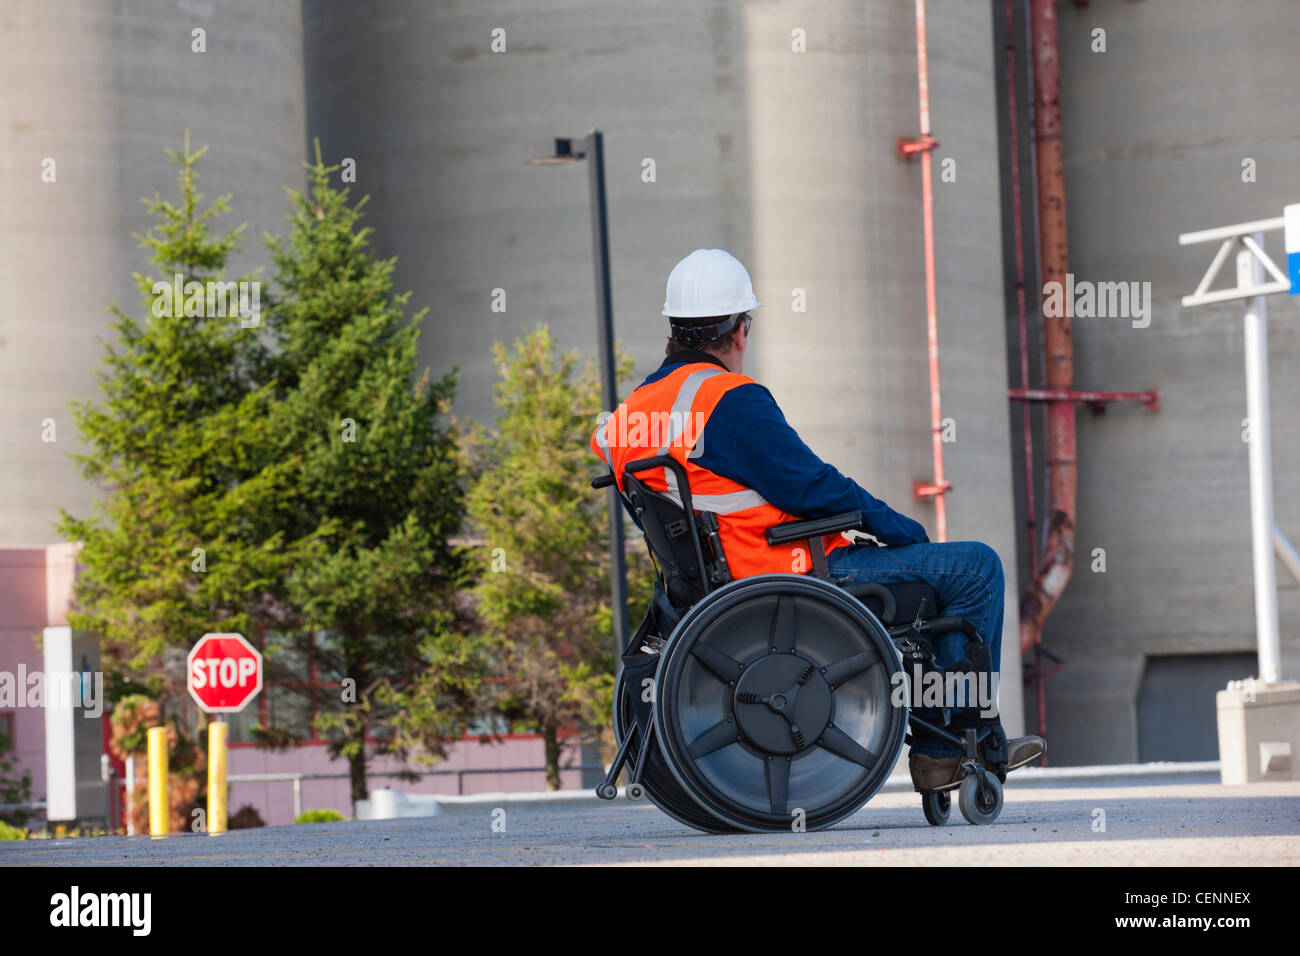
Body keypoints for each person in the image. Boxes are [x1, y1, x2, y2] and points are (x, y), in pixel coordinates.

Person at [591, 248, 1044, 790]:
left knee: (950, 574)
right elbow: (812, 487)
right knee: (974, 567)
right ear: (740, 330)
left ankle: (942, 749)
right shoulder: (727, 400)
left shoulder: (625, 420)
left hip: (710, 592)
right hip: (792, 575)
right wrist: (898, 528)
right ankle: (952, 745)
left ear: (673, 329)